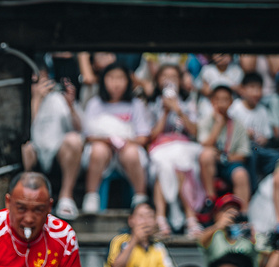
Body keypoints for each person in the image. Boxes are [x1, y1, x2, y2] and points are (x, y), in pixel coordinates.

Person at [80, 63, 152, 213]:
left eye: (120, 78)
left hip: (127, 151)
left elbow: (143, 137)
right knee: (99, 150)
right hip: (101, 151)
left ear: (128, 81)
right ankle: (91, 196)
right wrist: (108, 140)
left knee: (131, 152)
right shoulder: (95, 104)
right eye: (111, 78)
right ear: (103, 81)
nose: (116, 83)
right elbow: (88, 136)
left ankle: (140, 198)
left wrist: (123, 141)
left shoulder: (135, 104)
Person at [146, 62, 203, 237]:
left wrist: (177, 109)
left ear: (180, 81)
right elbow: (151, 135)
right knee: (165, 165)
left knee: (179, 162)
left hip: (183, 145)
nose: (169, 80)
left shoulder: (188, 102)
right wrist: (164, 112)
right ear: (157, 81)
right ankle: (173, 217)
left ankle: (183, 216)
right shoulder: (151, 104)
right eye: (164, 76)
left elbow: (195, 131)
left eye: (173, 77)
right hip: (160, 146)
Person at [22, 65, 83, 219]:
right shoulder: (24, 99)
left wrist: (70, 105)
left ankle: (66, 197)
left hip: (58, 153)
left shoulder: (58, 98)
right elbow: (25, 132)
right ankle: (25, 196)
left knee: (74, 141)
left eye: (44, 80)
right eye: (35, 81)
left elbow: (80, 129)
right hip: (34, 151)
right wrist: (36, 99)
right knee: (24, 148)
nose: (41, 85)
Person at [101, 199, 173, 267]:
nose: (145, 221)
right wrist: (134, 240)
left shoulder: (159, 248)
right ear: (131, 220)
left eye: (150, 217)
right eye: (141, 216)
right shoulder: (120, 241)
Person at [198, 85, 251, 209]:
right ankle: (210, 200)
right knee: (206, 155)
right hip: (210, 164)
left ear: (231, 102)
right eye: (218, 99)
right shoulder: (205, 121)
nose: (221, 103)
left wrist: (224, 157)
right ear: (212, 101)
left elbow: (243, 154)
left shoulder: (238, 124)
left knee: (241, 174)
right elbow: (205, 144)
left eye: (225, 99)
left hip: (229, 163)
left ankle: (243, 214)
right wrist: (218, 124)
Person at [231, 70, 279, 189]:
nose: (256, 92)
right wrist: (244, 133)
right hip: (241, 148)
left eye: (259, 88)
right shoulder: (235, 108)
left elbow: (267, 135)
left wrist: (264, 139)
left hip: (258, 148)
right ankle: (252, 189)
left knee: (277, 158)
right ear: (242, 90)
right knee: (251, 153)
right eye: (252, 88)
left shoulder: (262, 110)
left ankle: (266, 189)